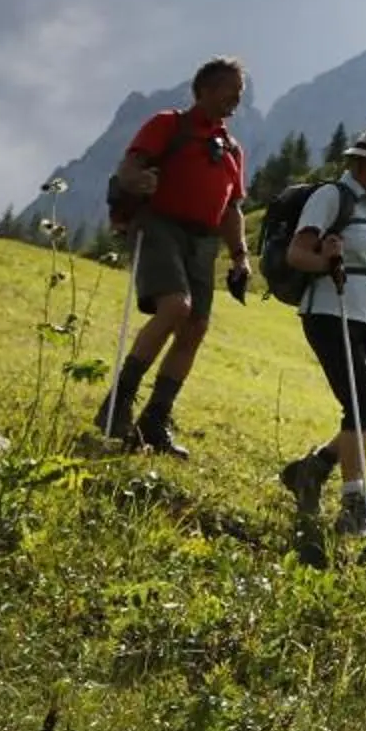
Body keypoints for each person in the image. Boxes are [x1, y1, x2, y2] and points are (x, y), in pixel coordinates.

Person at [95, 57, 252, 457]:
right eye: (229, 88)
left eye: (240, 91)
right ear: (204, 89)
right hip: (159, 225)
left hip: (202, 241)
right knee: (175, 307)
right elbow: (129, 167)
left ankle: (154, 422)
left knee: (195, 326)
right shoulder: (169, 123)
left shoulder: (232, 148)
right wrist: (138, 180)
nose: (237, 97)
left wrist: (240, 256)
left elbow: (232, 208)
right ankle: (117, 404)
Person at [278, 123, 366, 536]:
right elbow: (298, 254)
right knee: (361, 399)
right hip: (330, 310)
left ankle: (314, 467)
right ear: (363, 161)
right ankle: (354, 504)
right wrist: (329, 261)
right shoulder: (330, 197)